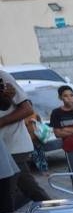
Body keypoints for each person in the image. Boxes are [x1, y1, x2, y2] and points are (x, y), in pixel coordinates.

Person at [0, 69, 50, 203]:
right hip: (4, 149)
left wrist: (2, 122)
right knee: (24, 188)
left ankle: (53, 212)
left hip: (13, 147)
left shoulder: (3, 76)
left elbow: (27, 109)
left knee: (13, 191)